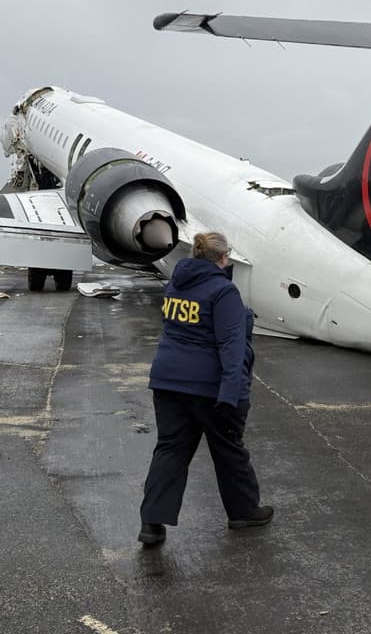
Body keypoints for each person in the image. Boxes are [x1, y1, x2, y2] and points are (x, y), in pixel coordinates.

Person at [138, 231, 271, 546]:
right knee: (229, 449)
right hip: (207, 388)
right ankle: (243, 511)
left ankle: (152, 523)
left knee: (171, 449)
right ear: (223, 259)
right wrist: (231, 395)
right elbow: (231, 347)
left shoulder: (176, 284)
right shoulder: (223, 292)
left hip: (167, 382)